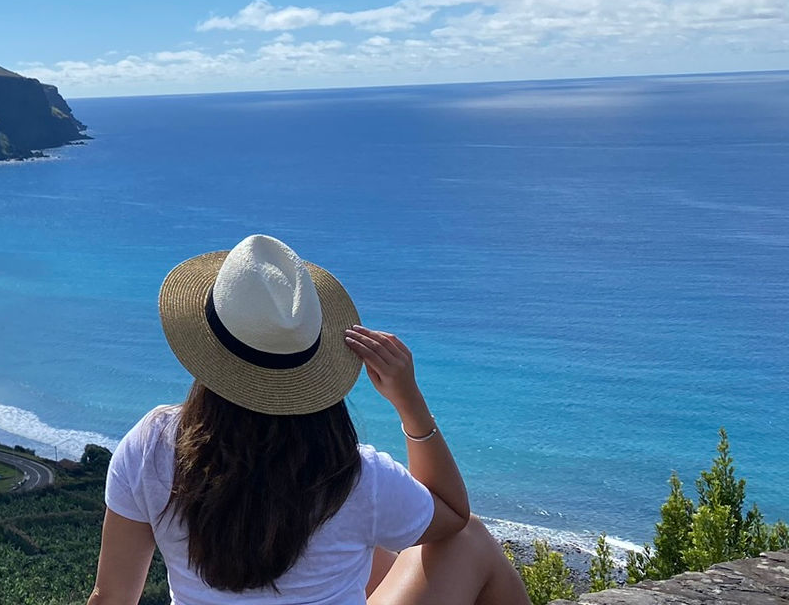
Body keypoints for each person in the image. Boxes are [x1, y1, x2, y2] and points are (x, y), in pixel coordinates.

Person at [89, 235, 527, 605]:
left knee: (372, 551)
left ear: (209, 351)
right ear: (315, 365)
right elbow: (452, 514)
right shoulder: (354, 476)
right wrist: (409, 403)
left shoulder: (152, 445)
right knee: (467, 537)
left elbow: (111, 597)